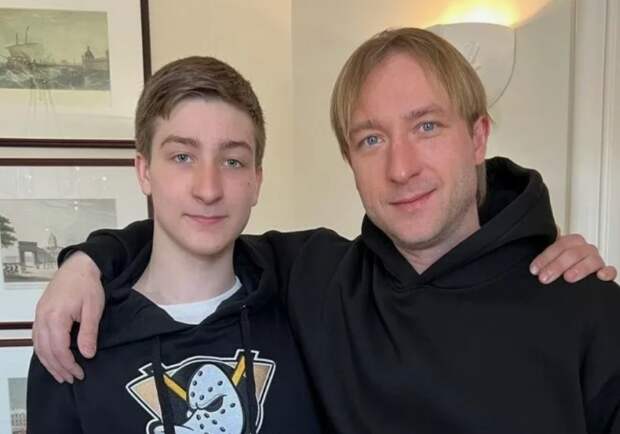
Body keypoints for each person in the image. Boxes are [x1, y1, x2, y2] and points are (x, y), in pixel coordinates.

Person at [34, 28, 620, 433]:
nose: (401, 168)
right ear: (349, 159)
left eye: (427, 126)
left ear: (478, 137)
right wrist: (86, 262)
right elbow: (199, 232)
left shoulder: (585, 308)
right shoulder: (318, 277)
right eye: (372, 139)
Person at [27, 56, 324, 434]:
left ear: (257, 180)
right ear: (144, 171)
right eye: (182, 157)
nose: (208, 189)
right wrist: (85, 260)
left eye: (232, 161)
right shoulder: (73, 338)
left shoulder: (306, 307)